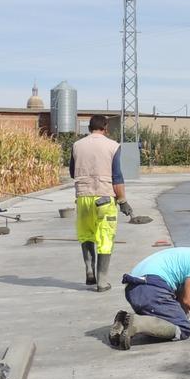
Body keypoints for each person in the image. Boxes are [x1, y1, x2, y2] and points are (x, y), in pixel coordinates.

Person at [109, 240, 190, 350]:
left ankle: (123, 320)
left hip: (134, 289)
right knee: (182, 329)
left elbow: (181, 295)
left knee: (170, 321)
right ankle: (135, 322)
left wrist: (184, 314)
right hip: (150, 290)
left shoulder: (188, 254)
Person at [70, 115, 131, 291]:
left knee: (86, 234)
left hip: (83, 197)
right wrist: (123, 201)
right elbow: (117, 177)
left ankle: (89, 270)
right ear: (105, 127)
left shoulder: (77, 145)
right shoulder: (112, 146)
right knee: (105, 239)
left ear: (89, 127)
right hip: (104, 198)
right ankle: (102, 282)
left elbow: (73, 172)